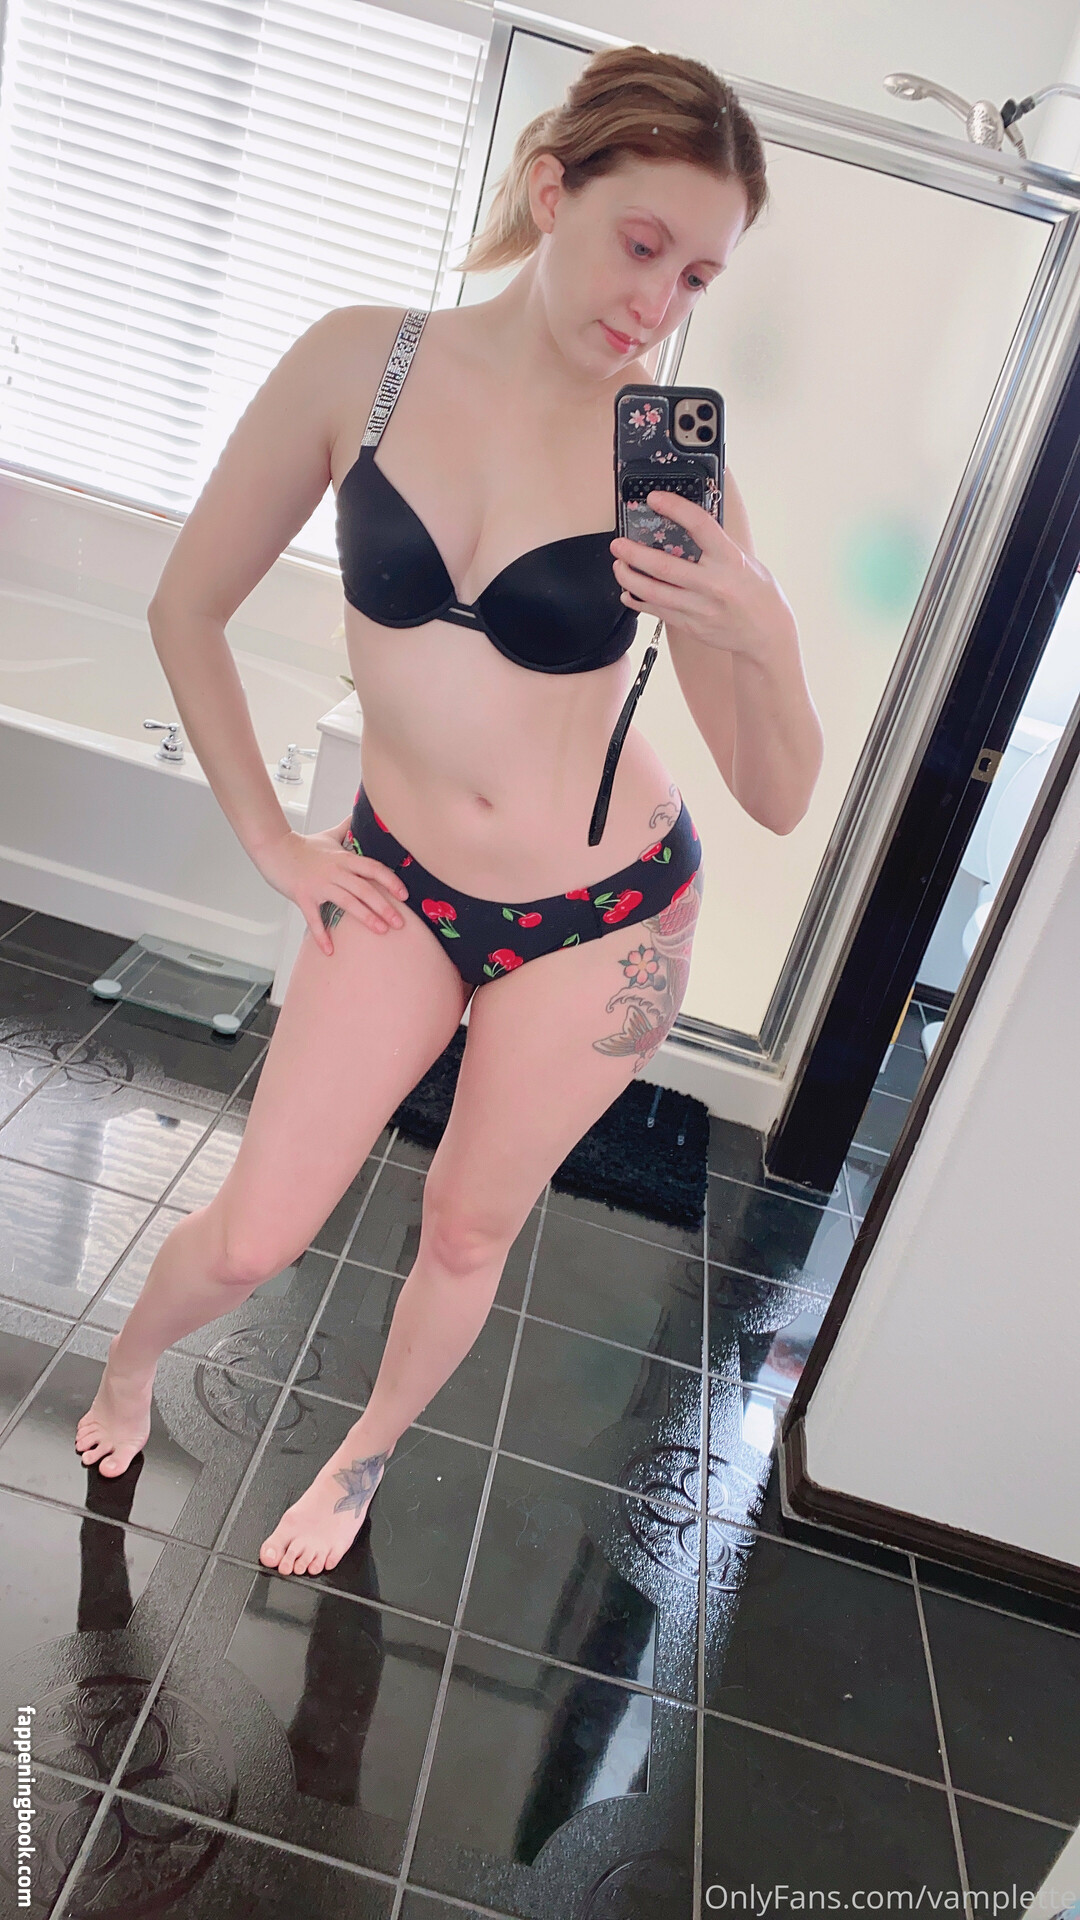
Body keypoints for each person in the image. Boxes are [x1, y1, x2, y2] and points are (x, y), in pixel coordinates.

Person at [74, 44, 823, 1576]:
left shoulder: (665, 464)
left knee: (470, 1229)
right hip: (398, 879)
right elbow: (185, 607)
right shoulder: (365, 363)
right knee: (256, 1231)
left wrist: (761, 625)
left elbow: (777, 792)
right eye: (640, 244)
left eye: (696, 275)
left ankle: (360, 1462)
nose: (658, 301)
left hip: (605, 915)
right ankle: (129, 1365)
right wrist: (274, 842)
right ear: (552, 189)